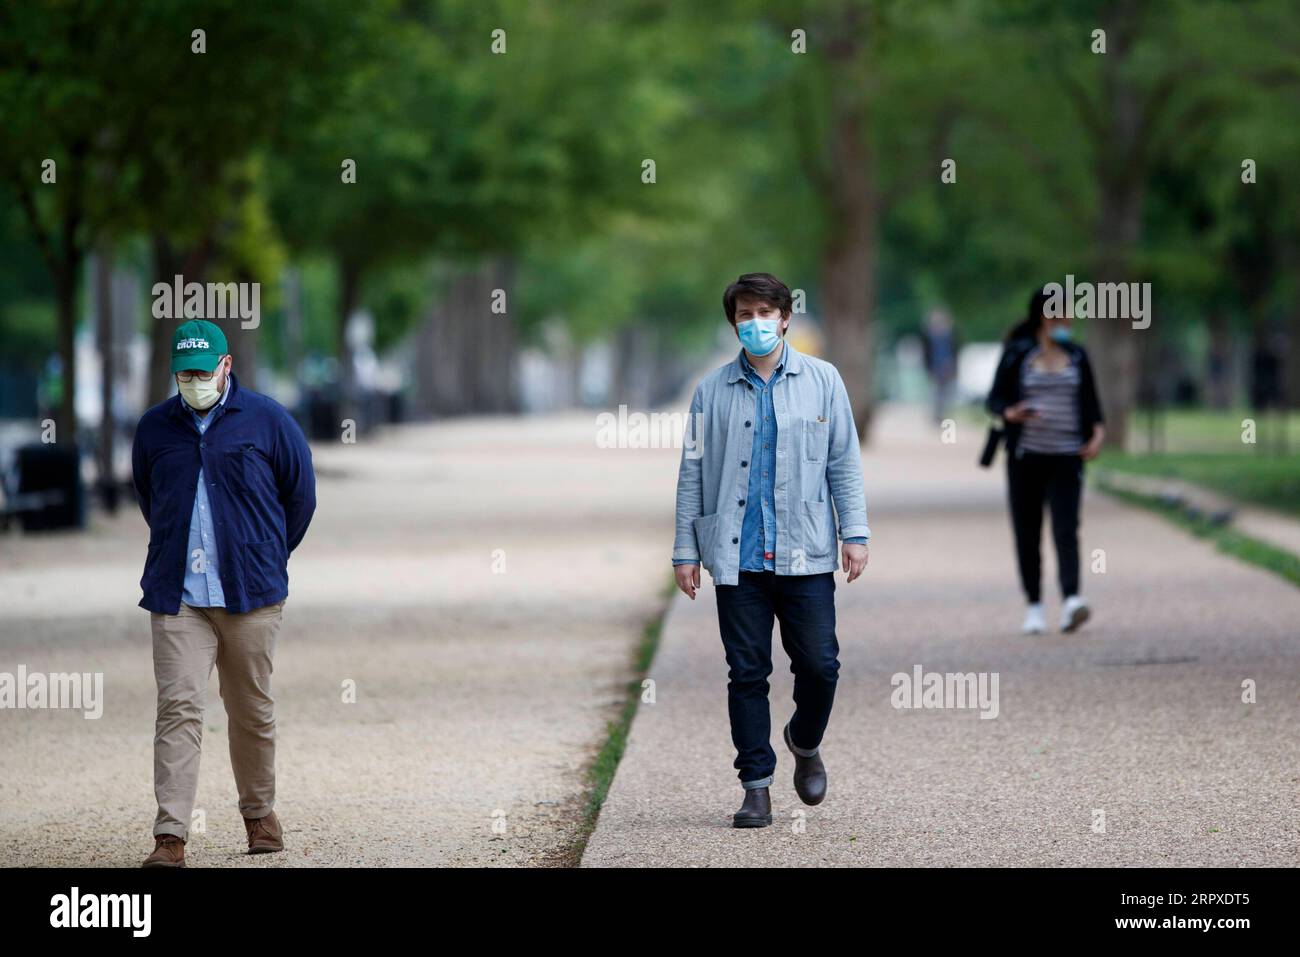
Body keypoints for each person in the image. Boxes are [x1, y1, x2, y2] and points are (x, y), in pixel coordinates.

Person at [672, 273, 870, 828]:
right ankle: (755, 786)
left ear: (785, 317)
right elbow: (692, 473)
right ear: (734, 322)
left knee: (821, 666)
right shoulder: (710, 391)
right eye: (744, 314)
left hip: (805, 552)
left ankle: (804, 742)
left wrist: (854, 533)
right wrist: (685, 550)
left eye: (764, 311)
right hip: (737, 558)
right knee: (746, 673)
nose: (754, 322)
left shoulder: (824, 381)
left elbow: (843, 462)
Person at [131, 319, 316, 867]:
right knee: (178, 709)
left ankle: (259, 815)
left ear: (226, 366)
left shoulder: (268, 420)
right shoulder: (154, 429)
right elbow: (150, 496)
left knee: (250, 708)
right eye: (183, 373)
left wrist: (264, 554)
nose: (193, 381)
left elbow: (299, 498)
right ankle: (170, 836)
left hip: (251, 593)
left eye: (202, 371)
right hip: (179, 596)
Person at [986, 289, 1104, 635]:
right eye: (1059, 315)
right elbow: (994, 401)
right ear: (1042, 316)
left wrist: (1096, 435)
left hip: (1068, 456)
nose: (1065, 322)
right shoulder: (1018, 355)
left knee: (1067, 528)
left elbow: (1093, 404)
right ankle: (1034, 605)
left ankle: (1071, 599)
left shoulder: (1078, 355)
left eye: (1068, 315)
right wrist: (1012, 412)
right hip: (1026, 457)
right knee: (1027, 531)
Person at [921, 307, 959, 425]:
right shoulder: (929, 336)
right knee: (936, 393)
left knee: (947, 393)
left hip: (947, 366)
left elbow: (954, 351)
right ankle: (937, 416)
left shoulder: (950, 335)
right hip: (935, 367)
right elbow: (926, 353)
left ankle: (945, 415)